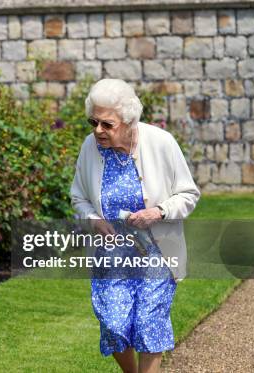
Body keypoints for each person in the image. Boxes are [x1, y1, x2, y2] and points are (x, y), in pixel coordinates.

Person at [70, 78, 200, 373]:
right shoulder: (91, 147)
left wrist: (159, 211)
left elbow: (189, 194)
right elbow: (78, 197)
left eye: (107, 124)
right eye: (94, 122)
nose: (97, 130)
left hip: (156, 251)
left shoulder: (161, 142)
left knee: (148, 323)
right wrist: (94, 220)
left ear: (128, 121)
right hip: (112, 254)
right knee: (114, 326)